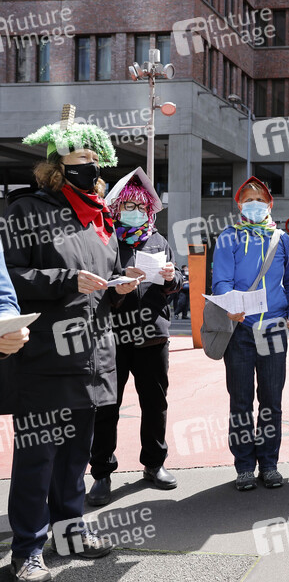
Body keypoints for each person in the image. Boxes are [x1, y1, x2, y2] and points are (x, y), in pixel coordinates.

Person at [4, 116, 139, 582]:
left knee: (76, 455)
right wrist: (66, 279)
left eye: (94, 158)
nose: (90, 166)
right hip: (45, 358)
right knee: (37, 457)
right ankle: (27, 549)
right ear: (56, 166)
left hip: (93, 356)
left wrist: (123, 286)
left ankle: (70, 531)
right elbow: (10, 278)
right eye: (80, 158)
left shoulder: (100, 218)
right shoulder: (26, 210)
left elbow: (105, 281)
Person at [87, 168, 183, 506]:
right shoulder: (106, 240)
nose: (136, 212)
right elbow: (96, 289)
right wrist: (118, 287)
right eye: (129, 206)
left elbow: (177, 283)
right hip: (113, 338)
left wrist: (171, 278)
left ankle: (154, 464)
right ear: (117, 207)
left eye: (141, 207)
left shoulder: (158, 241)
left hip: (153, 337)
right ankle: (101, 472)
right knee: (106, 407)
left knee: (155, 403)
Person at [212, 177, 289, 491]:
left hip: (273, 329)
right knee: (241, 401)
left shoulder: (281, 239)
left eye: (260, 199)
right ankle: (245, 467)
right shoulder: (228, 237)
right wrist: (230, 304)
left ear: (269, 204)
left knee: (272, 401)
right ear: (239, 204)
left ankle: (270, 464)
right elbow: (221, 280)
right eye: (248, 199)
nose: (254, 204)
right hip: (241, 330)